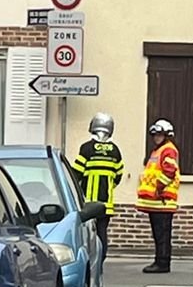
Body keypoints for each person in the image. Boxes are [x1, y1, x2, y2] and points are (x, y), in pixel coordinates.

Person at [68, 111, 126, 262]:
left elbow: (77, 173)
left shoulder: (87, 148)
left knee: (87, 234)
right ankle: (100, 260)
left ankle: (89, 261)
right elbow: (118, 175)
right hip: (106, 203)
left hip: (88, 202)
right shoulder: (115, 151)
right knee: (102, 233)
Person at [136, 118, 180, 274]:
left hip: (163, 200)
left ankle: (162, 263)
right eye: (154, 135)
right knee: (158, 234)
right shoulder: (158, 150)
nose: (156, 138)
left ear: (167, 135)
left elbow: (169, 171)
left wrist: (159, 188)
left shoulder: (168, 149)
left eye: (159, 135)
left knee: (162, 234)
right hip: (156, 201)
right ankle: (159, 260)